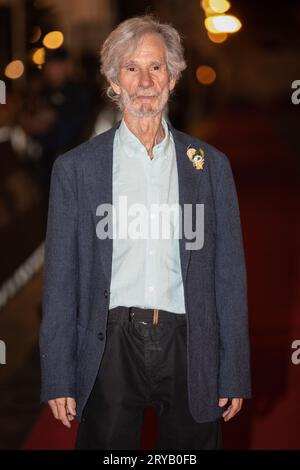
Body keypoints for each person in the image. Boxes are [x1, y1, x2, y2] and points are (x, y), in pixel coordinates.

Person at [39, 15, 251, 450]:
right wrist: (57, 373)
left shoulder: (210, 166)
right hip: (111, 343)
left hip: (189, 341)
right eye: (131, 68)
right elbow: (61, 280)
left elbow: (229, 276)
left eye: (156, 67)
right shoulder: (76, 170)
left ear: (173, 78)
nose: (145, 81)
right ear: (114, 82)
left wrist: (234, 370)